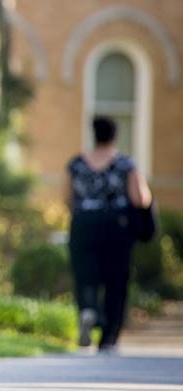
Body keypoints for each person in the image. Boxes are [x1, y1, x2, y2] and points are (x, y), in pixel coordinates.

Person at [64, 116, 152, 352]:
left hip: (83, 224)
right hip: (116, 226)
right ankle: (109, 337)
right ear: (114, 136)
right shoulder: (125, 164)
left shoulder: (77, 164)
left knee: (85, 275)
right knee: (116, 281)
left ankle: (88, 310)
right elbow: (140, 198)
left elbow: (67, 198)